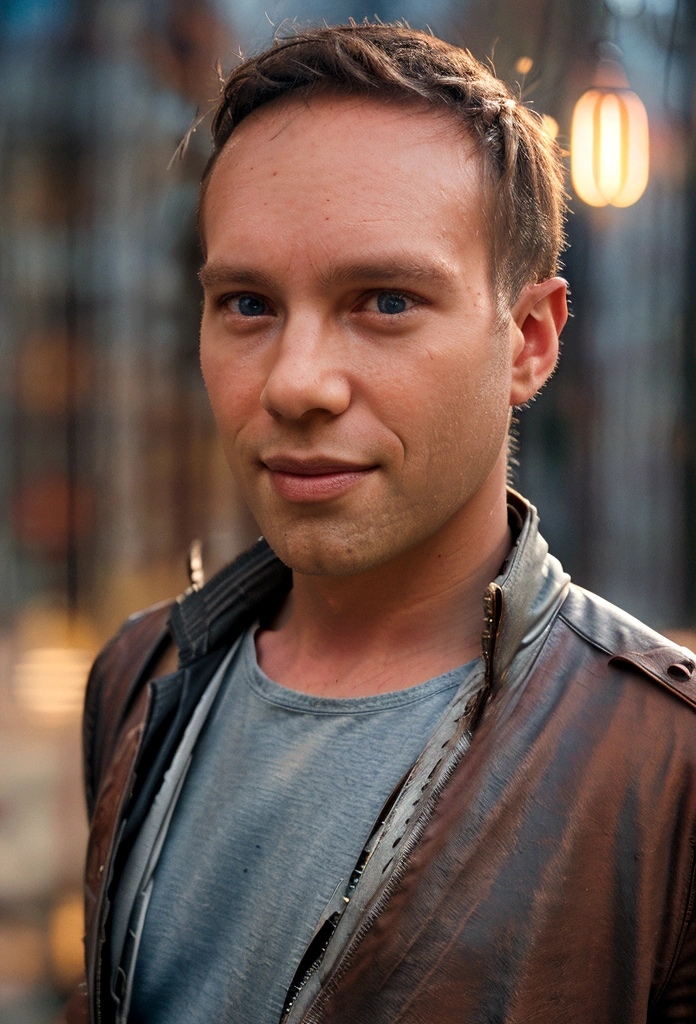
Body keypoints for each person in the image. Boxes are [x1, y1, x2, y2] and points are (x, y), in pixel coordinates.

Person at [68, 22, 696, 1024]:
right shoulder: (142, 676)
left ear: (530, 341)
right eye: (247, 303)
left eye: (386, 300)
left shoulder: (667, 766)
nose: (297, 383)